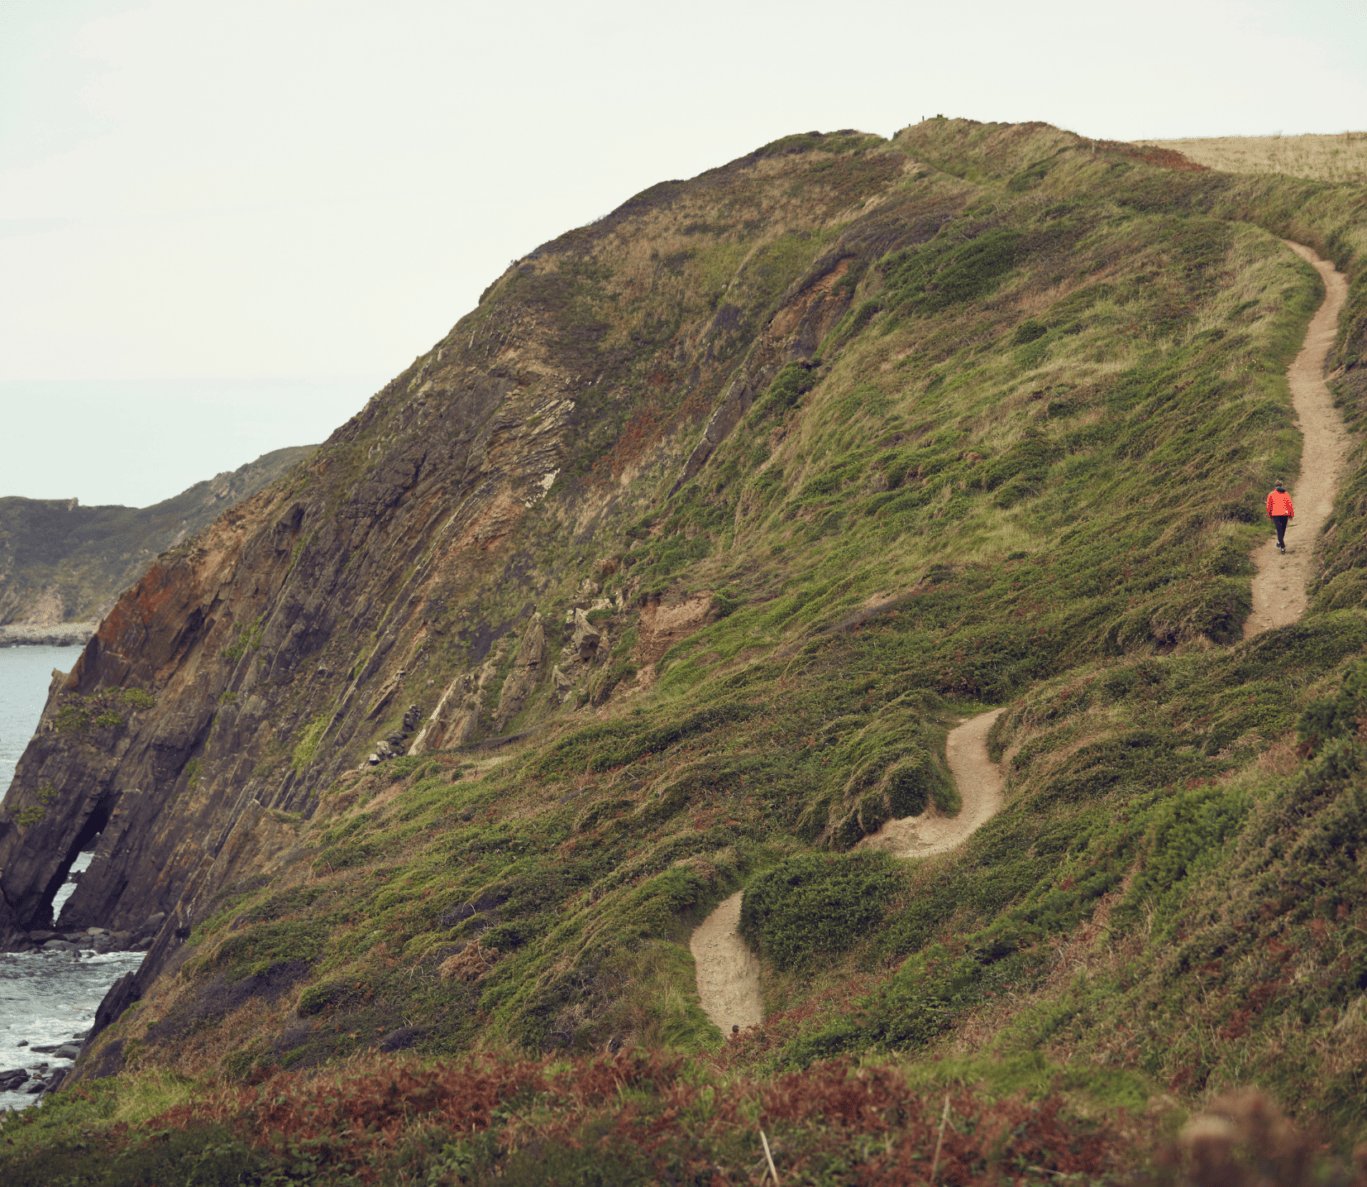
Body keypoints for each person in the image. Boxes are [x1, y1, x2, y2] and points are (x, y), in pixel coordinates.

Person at [1266, 481, 1294, 552]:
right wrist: (1291, 514)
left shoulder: (1271, 494)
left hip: (1275, 514)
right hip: (1285, 514)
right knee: (1283, 529)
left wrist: (1269, 515)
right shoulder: (1286, 494)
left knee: (1279, 530)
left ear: (1275, 486)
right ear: (1282, 485)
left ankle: (1282, 546)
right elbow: (1289, 505)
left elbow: (1269, 506)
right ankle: (1280, 543)